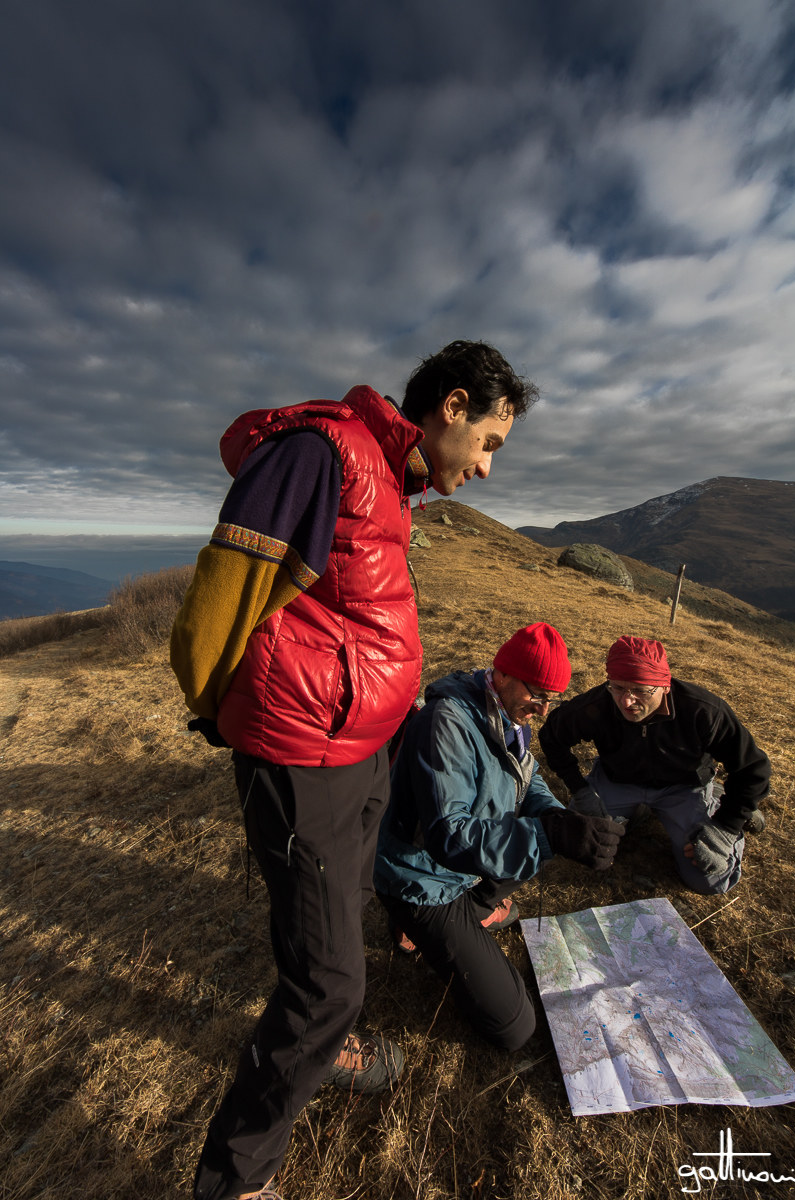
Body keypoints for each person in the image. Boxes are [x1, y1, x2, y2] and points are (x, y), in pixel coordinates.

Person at [170, 340, 538, 1200]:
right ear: (452, 406)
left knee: (330, 921)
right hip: (303, 757)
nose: (487, 467)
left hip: (360, 748)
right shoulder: (323, 452)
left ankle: (327, 1043)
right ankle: (236, 1176)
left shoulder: (386, 480)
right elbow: (214, 608)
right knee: (331, 983)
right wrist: (240, 719)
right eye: (489, 443)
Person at [373, 623, 623, 1051]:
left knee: (541, 840)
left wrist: (558, 818)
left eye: (552, 699)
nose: (544, 710)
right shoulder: (446, 724)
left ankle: (462, 920)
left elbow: (525, 777)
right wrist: (549, 834)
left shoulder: (504, 711)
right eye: (538, 695)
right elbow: (447, 835)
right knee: (513, 1027)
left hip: (458, 866)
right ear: (503, 674)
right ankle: (420, 922)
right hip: (422, 880)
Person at [538, 635, 770, 896]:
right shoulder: (599, 704)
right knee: (580, 843)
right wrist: (581, 790)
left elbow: (753, 769)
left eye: (640, 690)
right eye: (617, 687)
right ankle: (638, 811)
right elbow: (551, 737)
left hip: (684, 787)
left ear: (665, 686)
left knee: (708, 879)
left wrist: (727, 827)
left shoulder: (702, 711)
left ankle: (714, 799)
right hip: (618, 780)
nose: (626, 701)